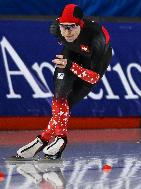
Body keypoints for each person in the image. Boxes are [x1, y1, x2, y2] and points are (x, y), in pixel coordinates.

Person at [13, 4, 112, 160]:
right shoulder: (55, 30)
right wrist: (69, 63)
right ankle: (61, 138)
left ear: (81, 24)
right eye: (63, 27)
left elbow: (94, 77)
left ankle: (43, 139)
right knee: (60, 97)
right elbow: (68, 43)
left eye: (72, 27)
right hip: (71, 56)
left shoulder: (97, 37)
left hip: (92, 64)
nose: (67, 32)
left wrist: (71, 66)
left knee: (67, 103)